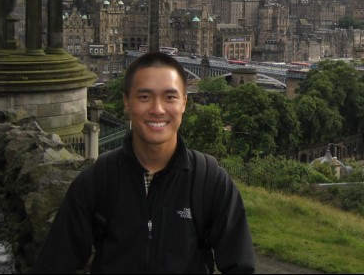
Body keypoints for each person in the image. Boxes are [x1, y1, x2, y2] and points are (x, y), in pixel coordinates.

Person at [34, 52, 255, 273]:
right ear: (127, 103)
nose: (157, 109)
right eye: (144, 97)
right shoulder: (97, 181)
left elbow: (240, 267)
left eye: (170, 97)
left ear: (184, 103)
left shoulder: (210, 181)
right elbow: (53, 264)